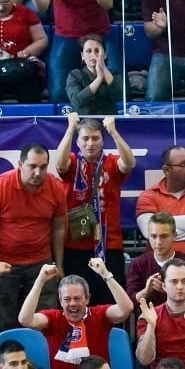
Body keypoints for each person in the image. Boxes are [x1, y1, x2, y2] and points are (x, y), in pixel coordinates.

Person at [0, 143, 67, 332]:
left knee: (44, 321)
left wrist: (59, 264)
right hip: (4, 264)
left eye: (43, 167)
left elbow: (59, 227)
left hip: (41, 263)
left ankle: (41, 360)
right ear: (20, 164)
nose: (37, 172)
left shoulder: (56, 187)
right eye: (32, 166)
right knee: (2, 324)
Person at [20, 263, 133, 369]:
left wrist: (106, 274)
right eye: (67, 299)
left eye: (78, 298)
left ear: (87, 298)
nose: (72, 303)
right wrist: (40, 281)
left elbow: (126, 308)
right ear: (60, 301)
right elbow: (25, 319)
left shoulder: (99, 315)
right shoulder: (53, 319)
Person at [55, 115, 136, 305]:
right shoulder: (73, 162)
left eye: (95, 138)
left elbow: (130, 163)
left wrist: (113, 132)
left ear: (102, 141)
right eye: (85, 138)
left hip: (109, 245)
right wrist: (70, 128)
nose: (90, 143)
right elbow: (60, 164)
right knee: (77, 301)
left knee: (109, 302)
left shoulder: (111, 163)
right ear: (78, 142)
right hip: (76, 245)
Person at [34, 0, 116, 106]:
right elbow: (42, 7)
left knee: (119, 88)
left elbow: (108, 3)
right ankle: (66, 123)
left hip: (99, 33)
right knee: (58, 93)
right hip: (66, 33)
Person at [136, 148, 185, 261]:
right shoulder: (149, 196)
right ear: (166, 170)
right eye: (183, 164)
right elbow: (148, 231)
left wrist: (159, 222)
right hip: (158, 270)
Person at [128, 213, 185, 306]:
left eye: (164, 236)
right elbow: (130, 302)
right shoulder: (138, 264)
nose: (158, 242)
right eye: (153, 236)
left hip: (181, 318)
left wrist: (169, 290)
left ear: (174, 236)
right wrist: (146, 291)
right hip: (148, 318)